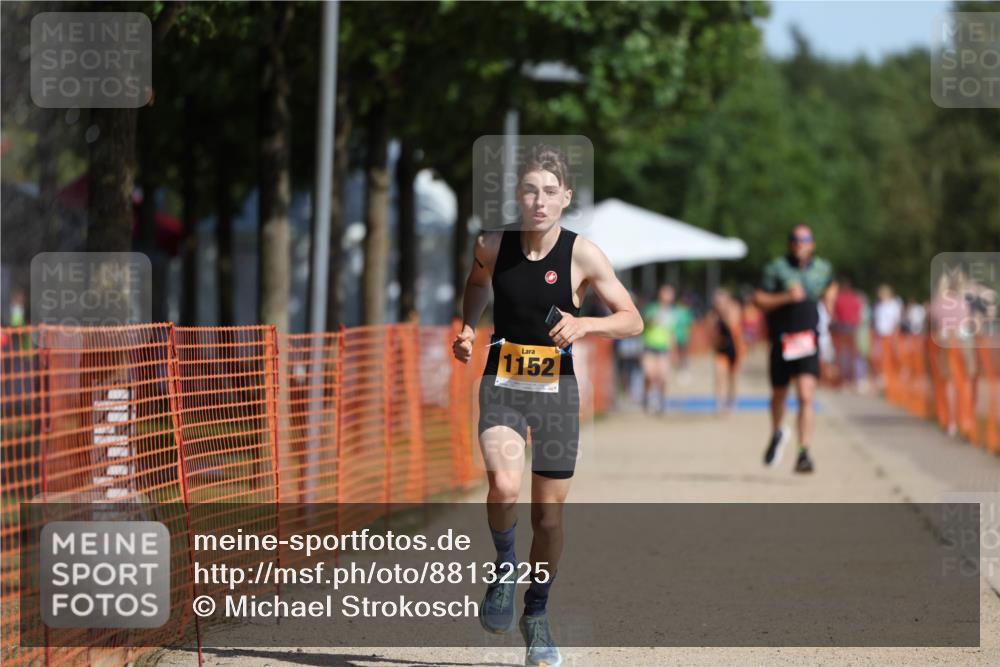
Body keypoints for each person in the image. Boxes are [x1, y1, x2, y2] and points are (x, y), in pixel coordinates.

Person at [452, 145, 642, 667]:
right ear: (518, 195)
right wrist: (469, 327)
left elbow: (632, 319)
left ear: (566, 199)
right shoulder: (492, 243)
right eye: (530, 190)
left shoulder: (583, 254)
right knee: (504, 485)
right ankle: (505, 566)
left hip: (557, 395)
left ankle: (536, 613)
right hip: (502, 386)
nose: (539, 201)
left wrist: (587, 324)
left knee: (549, 518)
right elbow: (476, 284)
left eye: (550, 193)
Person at [753, 224, 834, 473]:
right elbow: (759, 299)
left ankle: (803, 452)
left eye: (805, 239)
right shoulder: (776, 268)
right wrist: (786, 298)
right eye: (796, 239)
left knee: (806, 396)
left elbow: (831, 284)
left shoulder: (822, 269)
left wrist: (830, 302)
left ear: (813, 243)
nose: (800, 243)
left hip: (808, 341)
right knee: (779, 394)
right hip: (782, 340)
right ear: (790, 243)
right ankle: (777, 431)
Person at [707, 288, 745, 412]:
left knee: (732, 376)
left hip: (735, 347)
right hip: (721, 348)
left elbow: (732, 324)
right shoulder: (713, 313)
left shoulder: (734, 308)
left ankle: (732, 400)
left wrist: (723, 313)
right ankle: (719, 403)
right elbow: (710, 331)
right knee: (719, 375)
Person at [641, 284, 675, 414]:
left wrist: (673, 350)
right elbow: (647, 322)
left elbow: (672, 333)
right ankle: (648, 398)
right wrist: (655, 318)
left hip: (664, 348)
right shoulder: (652, 308)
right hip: (650, 346)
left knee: (662, 377)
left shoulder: (673, 312)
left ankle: (661, 401)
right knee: (649, 375)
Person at [831, 277, 862, 389]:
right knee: (852, 356)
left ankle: (843, 380)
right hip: (852, 328)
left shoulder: (839, 298)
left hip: (841, 328)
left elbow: (834, 313)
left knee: (840, 356)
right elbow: (858, 314)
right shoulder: (855, 298)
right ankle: (852, 380)